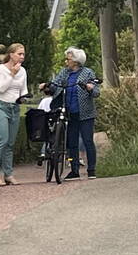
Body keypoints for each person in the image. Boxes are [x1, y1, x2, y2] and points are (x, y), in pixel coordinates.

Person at [43, 47, 101, 180]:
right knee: (71, 142)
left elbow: (96, 92)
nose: (66, 62)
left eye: (68, 59)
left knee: (87, 141)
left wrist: (90, 88)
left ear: (76, 61)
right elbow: (55, 85)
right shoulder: (65, 72)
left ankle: (91, 170)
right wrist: (47, 86)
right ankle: (74, 170)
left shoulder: (88, 73)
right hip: (69, 113)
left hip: (85, 113)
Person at [0, 42, 28, 187]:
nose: (22, 57)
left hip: (14, 107)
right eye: (19, 54)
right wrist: (12, 73)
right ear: (11, 55)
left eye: (23, 54)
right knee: (2, 139)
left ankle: (8, 174)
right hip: (0, 105)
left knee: (10, 143)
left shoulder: (23, 71)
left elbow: (23, 89)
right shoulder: (0, 69)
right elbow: (1, 88)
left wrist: (24, 97)